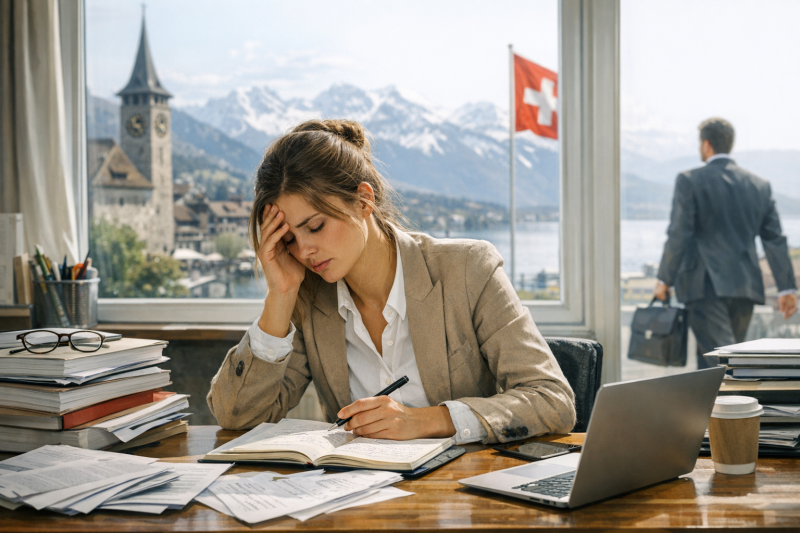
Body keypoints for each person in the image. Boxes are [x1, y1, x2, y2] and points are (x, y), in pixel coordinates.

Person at [207, 119, 576, 444]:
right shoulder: (309, 299)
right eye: (289, 238)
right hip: (359, 501)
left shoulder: (467, 269)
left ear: (363, 201)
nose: (303, 251)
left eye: (315, 226)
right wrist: (280, 295)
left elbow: (552, 399)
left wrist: (429, 420)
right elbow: (237, 417)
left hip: (462, 499)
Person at [654, 117, 798, 368]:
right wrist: (786, 288)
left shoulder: (689, 180)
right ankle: (709, 408)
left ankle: (723, 407)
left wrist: (664, 279)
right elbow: (774, 239)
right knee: (722, 360)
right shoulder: (759, 185)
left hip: (704, 286)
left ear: (707, 145)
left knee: (721, 364)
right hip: (745, 287)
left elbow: (679, 233)